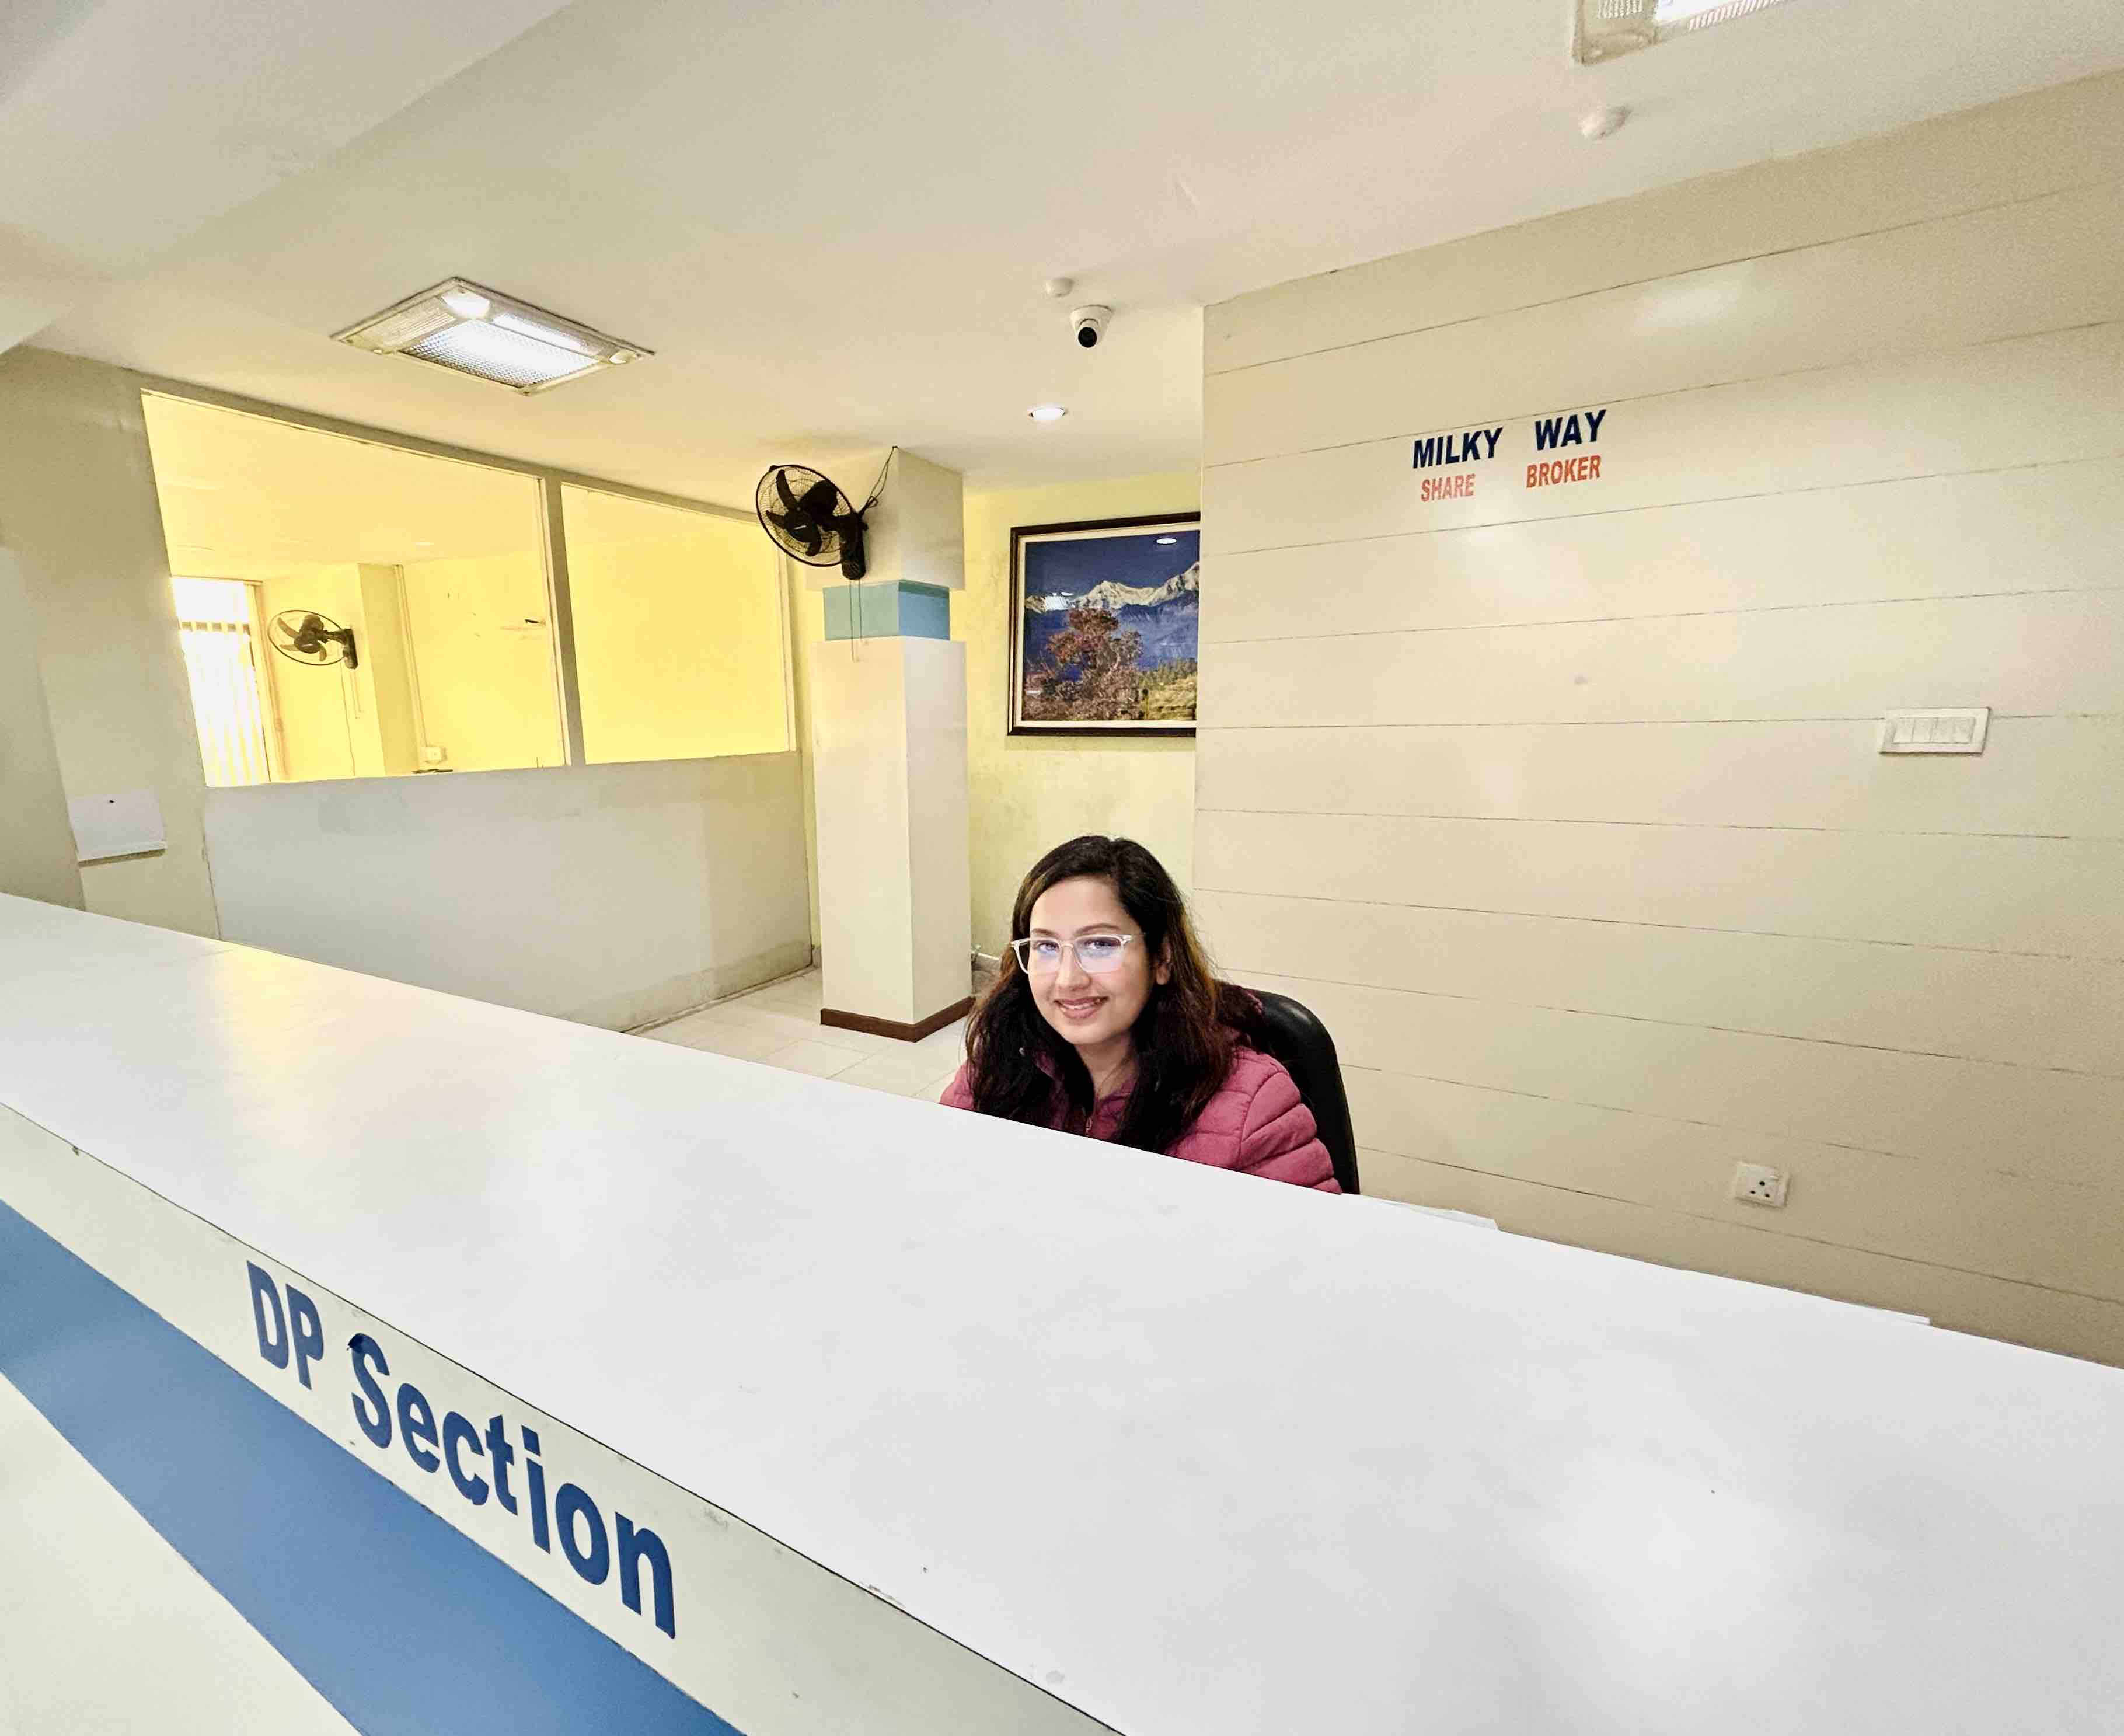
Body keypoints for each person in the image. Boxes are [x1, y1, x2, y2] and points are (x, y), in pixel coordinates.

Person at [941, 835, 1339, 1191]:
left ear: (1161, 959)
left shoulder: (1254, 1102)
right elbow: (941, 1183)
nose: (1067, 980)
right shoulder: (999, 1063)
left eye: (1100, 945)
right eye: (1046, 947)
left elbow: (1309, 1243)